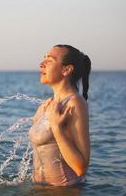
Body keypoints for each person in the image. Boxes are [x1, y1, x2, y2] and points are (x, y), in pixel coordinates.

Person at [29, 44, 91, 186]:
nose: (41, 64)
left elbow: (81, 168)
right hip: (39, 189)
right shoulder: (45, 106)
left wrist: (57, 128)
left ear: (67, 69)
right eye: (43, 59)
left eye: (49, 60)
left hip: (65, 191)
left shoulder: (75, 103)